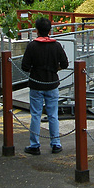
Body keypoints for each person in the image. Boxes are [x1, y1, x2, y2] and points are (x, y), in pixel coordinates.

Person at [20, 17, 69, 155]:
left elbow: (24, 66)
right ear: (50, 30)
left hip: (36, 83)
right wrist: (55, 68)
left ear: (36, 30)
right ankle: (56, 144)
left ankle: (34, 145)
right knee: (53, 115)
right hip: (52, 83)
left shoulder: (32, 46)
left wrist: (35, 70)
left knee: (35, 114)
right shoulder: (56, 45)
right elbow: (65, 64)